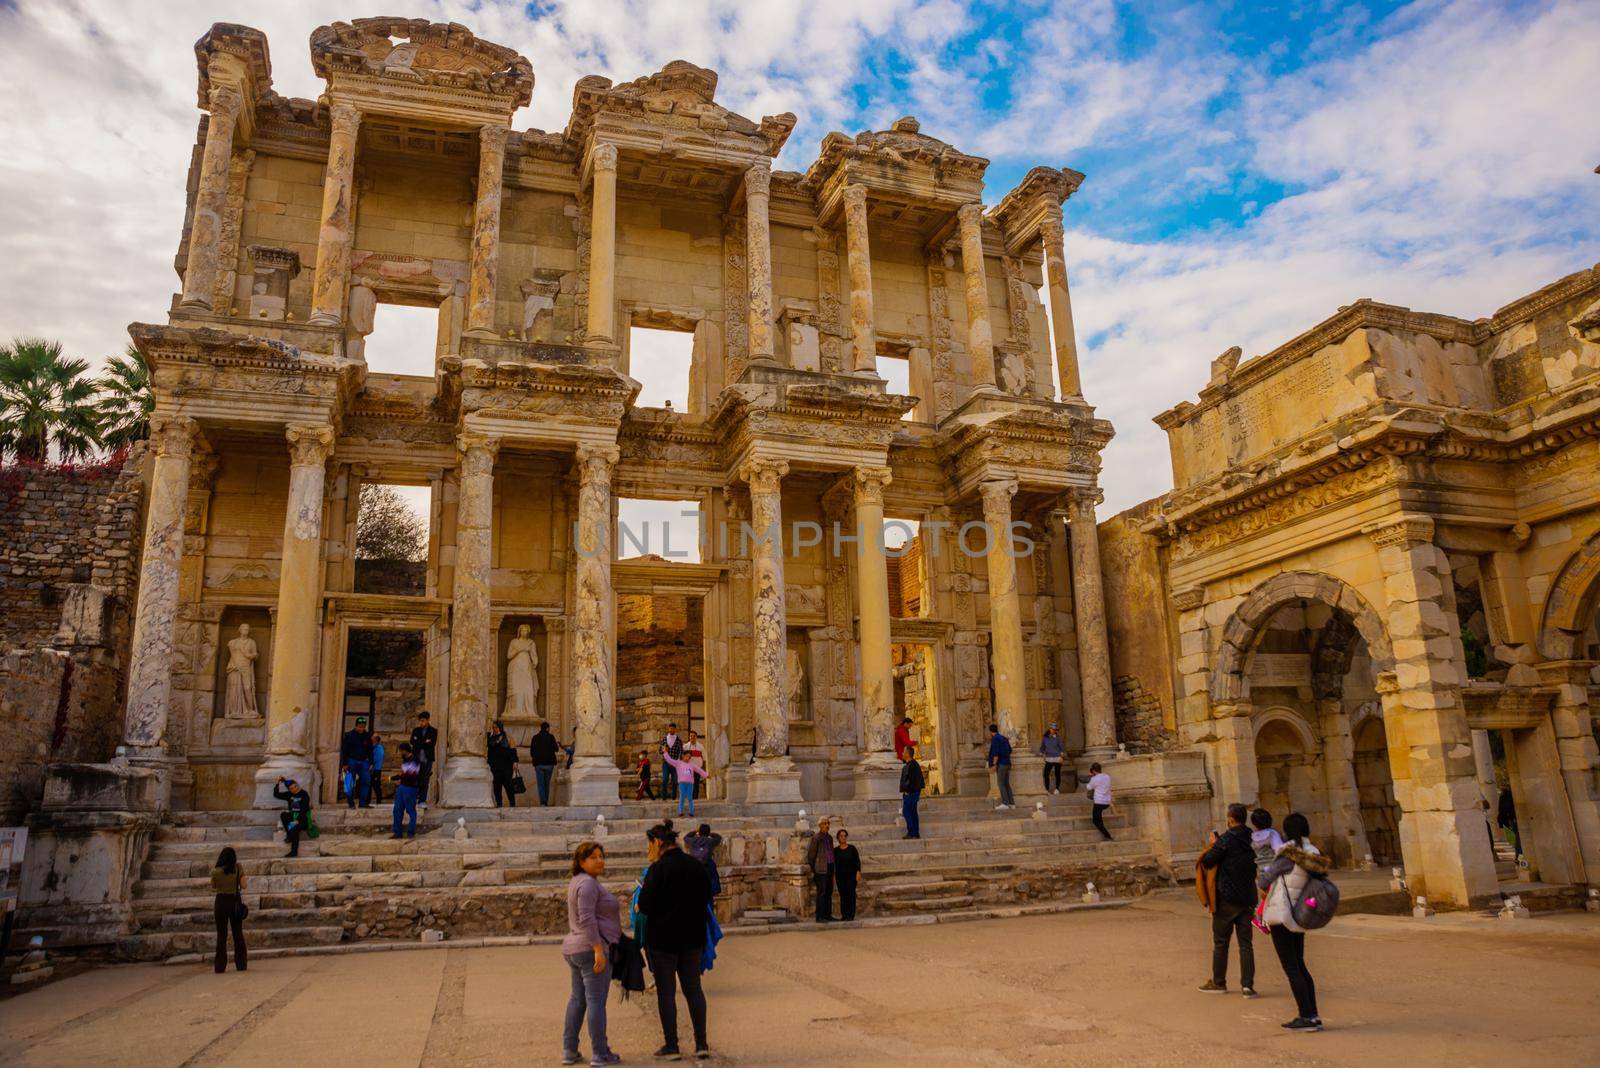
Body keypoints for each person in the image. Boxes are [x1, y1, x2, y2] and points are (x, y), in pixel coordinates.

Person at [637, 822, 714, 1060]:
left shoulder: (657, 870)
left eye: (650, 844)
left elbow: (646, 906)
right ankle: (701, 1043)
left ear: (658, 843)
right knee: (694, 990)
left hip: (663, 941)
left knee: (666, 993)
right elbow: (707, 897)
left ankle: (672, 1045)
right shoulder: (695, 865)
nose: (649, 850)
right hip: (693, 937)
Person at [1258, 812, 1327, 1032]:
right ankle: (1313, 1014)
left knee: (1291, 967)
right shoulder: (1314, 852)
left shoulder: (1288, 854)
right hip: (1301, 912)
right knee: (1300, 964)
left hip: (1281, 913)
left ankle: (1306, 1016)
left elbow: (1264, 879)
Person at [563, 841, 621, 1066]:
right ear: (581, 861)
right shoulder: (587, 884)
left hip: (576, 948)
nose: (600, 860)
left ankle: (569, 1050)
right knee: (595, 1001)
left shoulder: (580, 882)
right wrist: (598, 950)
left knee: (578, 1000)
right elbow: (586, 918)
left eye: (601, 856)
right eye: (593, 857)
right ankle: (600, 1053)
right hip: (590, 949)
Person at [1198, 802, 1258, 997]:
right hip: (1248, 896)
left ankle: (1218, 981)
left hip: (1227, 897)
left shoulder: (1226, 839)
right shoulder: (1252, 837)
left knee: (1221, 942)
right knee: (1245, 944)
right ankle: (1247, 985)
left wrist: (1214, 843)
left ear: (1230, 818)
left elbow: (1208, 861)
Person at [210, 846, 247, 973]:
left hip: (220, 902)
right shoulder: (238, 868)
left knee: (221, 934)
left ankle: (220, 966)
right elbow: (244, 885)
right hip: (234, 901)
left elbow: (213, 887)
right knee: (238, 933)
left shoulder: (216, 871)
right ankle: (241, 964)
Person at [660, 746, 708, 817]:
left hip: (690, 784)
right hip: (682, 783)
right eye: (687, 756)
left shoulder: (692, 764)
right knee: (682, 798)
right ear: (683, 756)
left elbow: (699, 770)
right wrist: (665, 753)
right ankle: (681, 812)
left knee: (690, 798)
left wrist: (706, 775)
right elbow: (670, 760)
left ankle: (691, 812)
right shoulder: (678, 763)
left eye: (689, 757)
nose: (688, 758)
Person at [805, 816, 836, 922]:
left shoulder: (830, 838)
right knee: (821, 893)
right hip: (821, 869)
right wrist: (815, 869)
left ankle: (828, 915)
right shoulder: (816, 838)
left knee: (828, 892)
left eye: (828, 823)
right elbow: (811, 855)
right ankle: (820, 916)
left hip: (830, 866)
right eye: (824, 823)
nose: (827, 825)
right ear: (820, 825)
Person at [340, 716, 375, 808]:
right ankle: (351, 803)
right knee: (349, 782)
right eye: (359, 726)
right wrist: (344, 763)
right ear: (356, 726)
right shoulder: (348, 735)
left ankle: (362, 803)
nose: (361, 729)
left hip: (364, 761)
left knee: (366, 782)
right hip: (351, 761)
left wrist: (371, 763)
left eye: (363, 727)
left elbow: (370, 750)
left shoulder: (367, 736)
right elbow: (344, 750)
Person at [273, 776, 312, 858]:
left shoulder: (304, 794)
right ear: (289, 790)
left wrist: (296, 821)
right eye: (292, 788)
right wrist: (277, 783)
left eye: (295, 786)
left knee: (294, 827)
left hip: (303, 819)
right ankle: (289, 835)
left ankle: (294, 852)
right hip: (294, 817)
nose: (295, 789)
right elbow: (276, 794)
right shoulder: (289, 795)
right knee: (284, 815)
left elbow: (304, 809)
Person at [390, 742, 422, 839]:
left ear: (405, 750)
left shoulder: (415, 760)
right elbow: (404, 774)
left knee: (411, 811)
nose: (400, 753)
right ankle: (397, 832)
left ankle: (410, 832)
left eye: (401, 751)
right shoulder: (405, 760)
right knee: (397, 810)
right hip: (402, 787)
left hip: (410, 788)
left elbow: (410, 775)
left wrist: (396, 777)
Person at [487, 720, 520, 808]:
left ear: (500, 727)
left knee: (508, 786)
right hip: (495, 767)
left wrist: (515, 762)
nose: (495, 729)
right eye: (493, 728)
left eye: (496, 727)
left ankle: (512, 803)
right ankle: (499, 804)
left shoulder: (508, 737)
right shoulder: (491, 738)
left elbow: (513, 750)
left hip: (506, 767)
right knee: (497, 787)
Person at [529, 720, 562, 806]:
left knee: (541, 784)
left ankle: (543, 802)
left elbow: (532, 752)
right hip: (549, 764)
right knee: (546, 784)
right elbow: (556, 749)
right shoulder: (551, 737)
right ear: (547, 728)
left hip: (538, 764)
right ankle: (545, 801)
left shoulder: (535, 738)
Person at [685, 823, 723, 897]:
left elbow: (686, 837)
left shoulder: (693, 841)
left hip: (695, 867)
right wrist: (710, 834)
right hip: (707, 866)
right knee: (709, 892)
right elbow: (718, 837)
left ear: (699, 832)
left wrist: (695, 831)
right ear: (708, 832)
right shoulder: (710, 841)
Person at [410, 711, 438, 807]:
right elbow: (412, 741)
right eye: (420, 721)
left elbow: (432, 744)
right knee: (414, 780)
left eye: (423, 721)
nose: (421, 723)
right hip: (416, 759)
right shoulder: (416, 730)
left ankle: (422, 800)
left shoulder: (433, 731)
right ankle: (413, 799)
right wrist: (424, 742)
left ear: (428, 720)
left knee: (425, 780)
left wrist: (419, 741)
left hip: (427, 759)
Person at [834, 829, 861, 921]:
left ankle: (850, 915)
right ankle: (844, 915)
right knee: (843, 896)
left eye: (845, 836)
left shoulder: (852, 849)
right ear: (838, 838)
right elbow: (834, 865)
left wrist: (858, 873)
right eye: (841, 836)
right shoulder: (835, 851)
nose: (843, 837)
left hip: (851, 877)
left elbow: (857, 862)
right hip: (840, 877)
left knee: (851, 895)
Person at [987, 724, 1014, 810]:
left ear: (991, 732)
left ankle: (1005, 803)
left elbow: (996, 753)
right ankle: (1012, 804)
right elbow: (1010, 750)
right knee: (1006, 783)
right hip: (1007, 763)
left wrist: (994, 765)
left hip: (1001, 764)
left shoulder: (995, 739)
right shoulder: (1004, 738)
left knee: (1001, 783)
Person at [900, 745, 924, 840]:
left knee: (907, 812)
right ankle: (915, 832)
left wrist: (908, 791)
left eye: (903, 752)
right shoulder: (911, 764)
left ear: (907, 754)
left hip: (911, 793)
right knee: (912, 812)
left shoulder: (912, 765)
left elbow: (912, 780)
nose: (902, 753)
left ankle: (912, 832)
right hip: (912, 792)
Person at [1086, 762, 1114, 840]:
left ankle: (1108, 836)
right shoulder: (1107, 776)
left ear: (1093, 770)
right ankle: (1105, 834)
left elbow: (1088, 787)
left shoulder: (1094, 779)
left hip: (1099, 802)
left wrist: (1091, 777)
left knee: (1095, 821)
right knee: (1099, 818)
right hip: (1107, 802)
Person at [1039, 725, 1065, 794]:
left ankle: (1057, 789)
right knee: (1046, 774)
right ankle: (1047, 789)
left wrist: (1062, 757)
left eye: (1056, 730)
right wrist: (1041, 753)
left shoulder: (1058, 738)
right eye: (1053, 729)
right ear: (1050, 729)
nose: (1054, 730)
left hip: (1057, 758)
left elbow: (1062, 748)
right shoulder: (1045, 738)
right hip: (1049, 758)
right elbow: (1042, 747)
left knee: (1057, 774)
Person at [1497, 786, 1521, 859]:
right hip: (1513, 818)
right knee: (1519, 837)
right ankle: (1519, 856)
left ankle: (1519, 856)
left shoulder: (1504, 795)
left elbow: (1501, 810)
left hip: (1511, 819)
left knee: (1518, 837)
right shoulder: (1508, 795)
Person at [661, 723, 684, 798]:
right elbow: (659, 750)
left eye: (673, 728)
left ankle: (673, 796)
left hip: (675, 764)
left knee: (675, 780)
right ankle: (664, 796)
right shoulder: (664, 739)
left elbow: (681, 751)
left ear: (675, 729)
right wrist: (664, 750)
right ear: (668, 729)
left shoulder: (678, 740)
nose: (672, 729)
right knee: (665, 779)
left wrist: (679, 761)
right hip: (666, 763)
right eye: (670, 728)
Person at [684, 730, 706, 798]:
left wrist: (704, 769)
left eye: (694, 736)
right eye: (691, 736)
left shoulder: (701, 746)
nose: (692, 737)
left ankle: (695, 797)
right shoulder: (685, 747)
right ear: (689, 737)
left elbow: (704, 758)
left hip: (697, 768)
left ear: (696, 737)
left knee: (696, 783)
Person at [370, 731, 386, 804]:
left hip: (376, 769)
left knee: (376, 785)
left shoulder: (379, 748)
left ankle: (379, 800)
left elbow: (376, 759)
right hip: (374, 769)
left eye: (373, 737)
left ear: (376, 739)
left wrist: (371, 765)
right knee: (372, 784)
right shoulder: (374, 747)